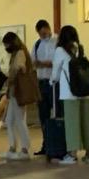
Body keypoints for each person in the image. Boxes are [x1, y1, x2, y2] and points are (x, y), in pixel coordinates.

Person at [53, 24, 89, 164]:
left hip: (70, 93)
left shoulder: (60, 50)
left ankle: (72, 155)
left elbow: (55, 73)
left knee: (73, 123)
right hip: (85, 91)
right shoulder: (80, 48)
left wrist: (51, 81)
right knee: (87, 122)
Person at [1, 31, 36, 160]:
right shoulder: (17, 53)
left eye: (6, 44)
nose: (6, 48)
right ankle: (12, 147)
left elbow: (20, 67)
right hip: (13, 92)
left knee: (19, 121)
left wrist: (13, 73)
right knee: (9, 121)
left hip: (18, 92)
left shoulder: (20, 52)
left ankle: (25, 149)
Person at [31, 19, 57, 149]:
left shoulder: (57, 42)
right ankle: (46, 144)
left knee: (58, 114)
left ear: (48, 28)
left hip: (55, 83)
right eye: (40, 34)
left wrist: (44, 64)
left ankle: (58, 144)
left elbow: (59, 61)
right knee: (43, 115)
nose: (43, 36)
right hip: (41, 83)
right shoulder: (36, 45)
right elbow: (32, 63)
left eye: (44, 33)